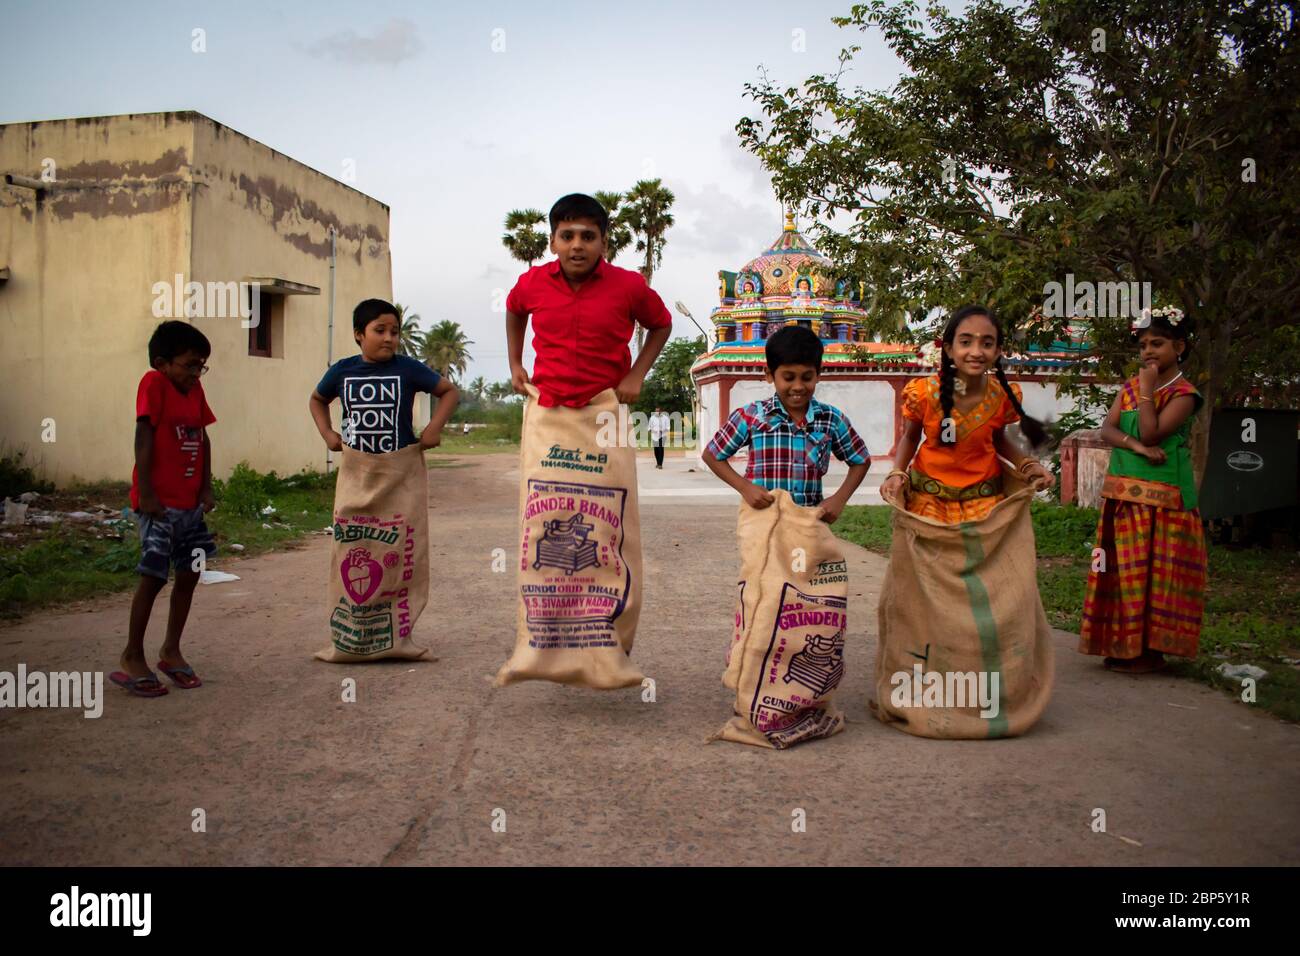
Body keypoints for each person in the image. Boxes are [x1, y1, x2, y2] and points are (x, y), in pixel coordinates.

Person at [1079, 307, 1205, 673]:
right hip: (1123, 495)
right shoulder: (1130, 387)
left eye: (1158, 343)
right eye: (1144, 345)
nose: (1149, 351)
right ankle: (1120, 644)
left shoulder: (1184, 394)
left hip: (1165, 500)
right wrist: (1136, 448)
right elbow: (1109, 430)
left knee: (1157, 575)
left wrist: (1147, 392)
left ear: (1179, 346)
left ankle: (1149, 652)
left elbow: (1152, 432)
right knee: (1119, 572)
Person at [112, 321, 218, 697]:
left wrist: (205, 486)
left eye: (200, 366)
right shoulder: (153, 383)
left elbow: (203, 438)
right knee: (154, 577)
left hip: (189, 504)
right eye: (190, 365)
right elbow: (143, 436)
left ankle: (171, 650)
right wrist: (147, 493)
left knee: (190, 572)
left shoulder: (195, 390)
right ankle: (132, 655)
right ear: (162, 362)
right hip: (159, 506)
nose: (195, 373)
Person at [880, 305, 1053, 520]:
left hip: (985, 503)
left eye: (987, 344)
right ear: (949, 349)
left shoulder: (1002, 397)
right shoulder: (923, 393)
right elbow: (910, 437)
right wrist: (897, 473)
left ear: (998, 351)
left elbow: (999, 440)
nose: (976, 352)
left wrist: (1027, 465)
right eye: (965, 342)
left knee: (984, 554)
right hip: (928, 501)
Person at [506, 194, 672, 407]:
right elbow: (514, 309)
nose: (577, 245)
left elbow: (662, 325)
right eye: (567, 236)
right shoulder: (533, 283)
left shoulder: (629, 285)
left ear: (603, 243)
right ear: (552, 243)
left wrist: (636, 376)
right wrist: (515, 363)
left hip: (607, 408)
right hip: (548, 407)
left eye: (588, 237)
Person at [702, 325, 870, 521]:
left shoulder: (831, 419)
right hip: (761, 523)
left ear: (818, 374)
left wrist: (840, 499)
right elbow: (712, 455)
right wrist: (745, 487)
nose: (798, 386)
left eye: (807, 377)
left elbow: (861, 460)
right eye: (788, 378)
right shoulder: (751, 416)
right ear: (769, 375)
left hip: (809, 524)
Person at [309, 298, 459, 455]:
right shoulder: (341, 370)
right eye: (380, 331)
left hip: (401, 465)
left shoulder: (408, 368)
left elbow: (450, 392)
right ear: (359, 334)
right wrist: (327, 433)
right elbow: (317, 400)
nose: (388, 338)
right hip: (355, 465)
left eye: (394, 332)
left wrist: (433, 429)